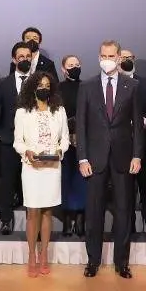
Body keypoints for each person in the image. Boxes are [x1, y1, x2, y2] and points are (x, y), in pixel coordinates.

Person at [76, 40, 144, 279]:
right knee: (94, 213)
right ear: (99, 57)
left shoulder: (132, 86)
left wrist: (137, 154)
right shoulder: (87, 86)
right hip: (94, 159)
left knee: (124, 212)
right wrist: (82, 158)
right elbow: (81, 126)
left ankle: (121, 263)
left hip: (124, 159)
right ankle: (92, 261)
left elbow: (138, 123)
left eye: (111, 55)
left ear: (119, 58)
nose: (107, 59)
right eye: (103, 55)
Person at [14, 72, 70, 277]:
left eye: (47, 85)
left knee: (48, 211)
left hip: (52, 167)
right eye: (40, 85)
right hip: (31, 166)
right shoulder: (22, 112)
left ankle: (44, 254)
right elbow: (17, 141)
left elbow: (65, 139)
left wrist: (59, 151)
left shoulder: (59, 111)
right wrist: (26, 151)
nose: (44, 88)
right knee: (33, 212)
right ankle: (31, 255)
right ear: (32, 88)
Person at [0, 42, 34, 235]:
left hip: (33, 143)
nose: (24, 59)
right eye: (20, 56)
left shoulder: (39, 82)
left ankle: (35, 223)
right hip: (8, 141)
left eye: (27, 56)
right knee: (7, 182)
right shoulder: (3, 83)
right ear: (14, 59)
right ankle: (5, 220)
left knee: (32, 183)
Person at [120, 47, 146, 233]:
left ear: (134, 59)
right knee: (125, 192)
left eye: (129, 57)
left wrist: (144, 120)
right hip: (121, 145)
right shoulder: (111, 83)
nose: (126, 60)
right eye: (123, 57)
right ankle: (127, 228)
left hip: (144, 144)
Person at [58, 56, 87, 237]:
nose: (74, 68)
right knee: (66, 179)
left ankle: (82, 219)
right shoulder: (58, 89)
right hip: (64, 141)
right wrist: (69, 133)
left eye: (77, 64)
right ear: (63, 69)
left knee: (83, 180)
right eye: (70, 65)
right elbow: (57, 114)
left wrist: (80, 132)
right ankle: (68, 220)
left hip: (85, 141)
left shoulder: (88, 86)